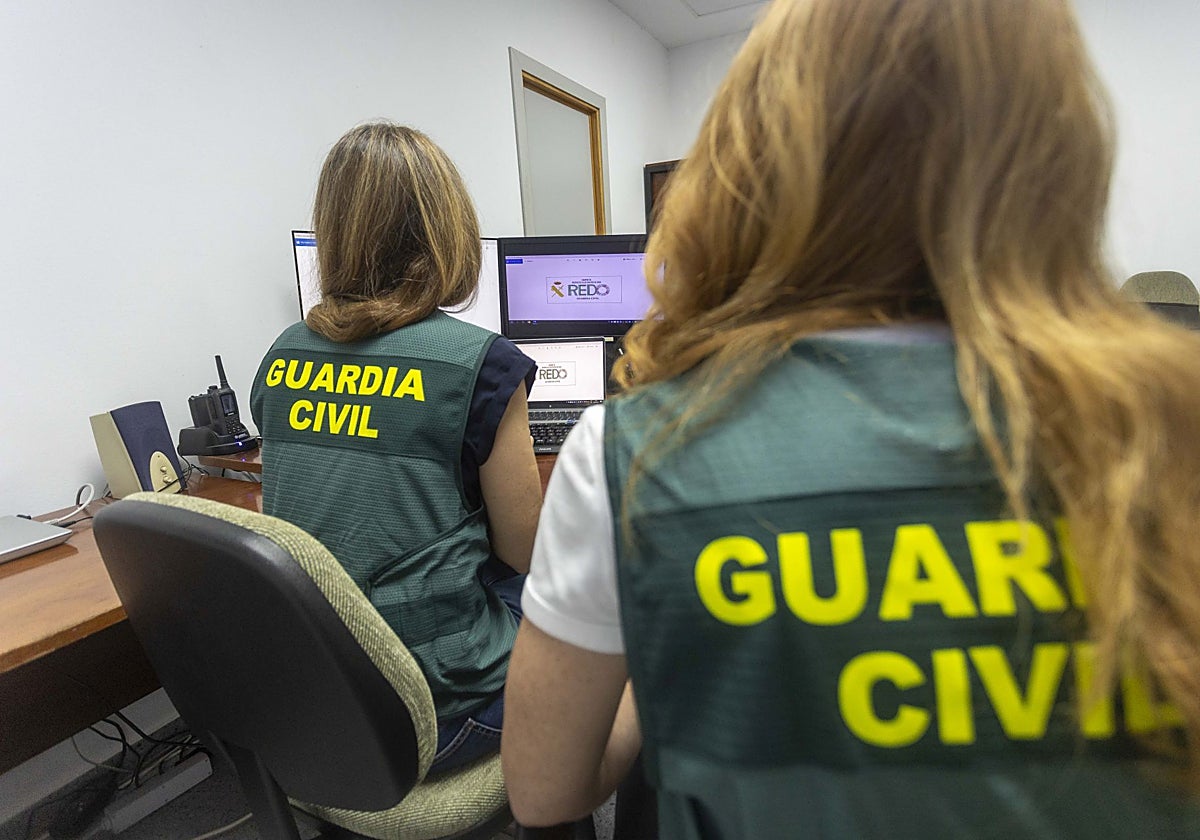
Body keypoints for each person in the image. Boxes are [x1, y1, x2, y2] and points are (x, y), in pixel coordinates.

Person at [501, 0, 1200, 836]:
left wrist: (669, 652)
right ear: (1056, 156)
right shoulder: (1172, 429)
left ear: (751, 162)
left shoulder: (634, 453)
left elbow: (543, 790)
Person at [249, 122, 542, 776]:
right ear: (447, 231)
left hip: (318, 702)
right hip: (434, 712)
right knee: (598, 619)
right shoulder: (483, 364)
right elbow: (524, 555)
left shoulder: (281, 356)